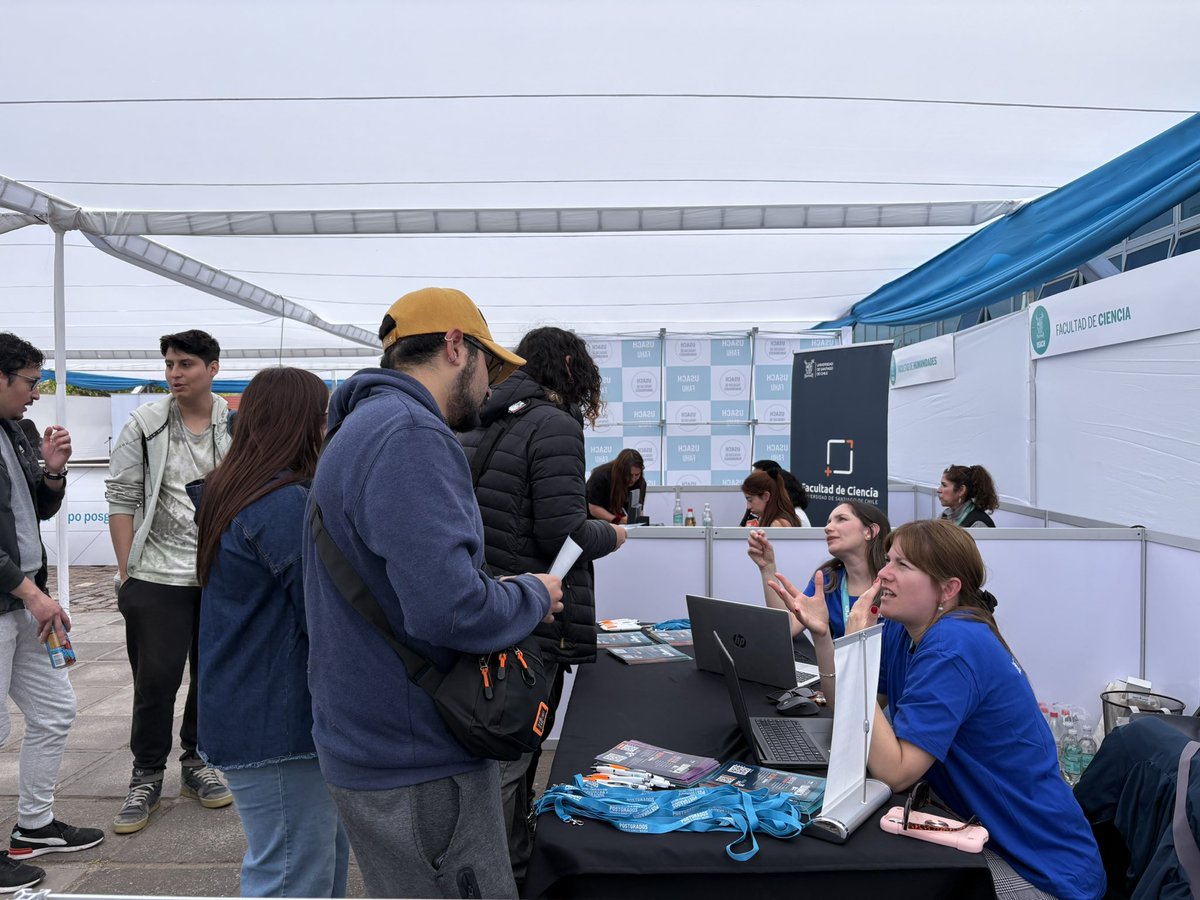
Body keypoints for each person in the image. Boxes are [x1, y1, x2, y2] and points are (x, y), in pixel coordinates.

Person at [302, 287, 564, 900]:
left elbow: (403, 586)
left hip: (375, 741)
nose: (491, 385)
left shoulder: (359, 429)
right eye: (489, 366)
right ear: (454, 345)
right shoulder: (411, 435)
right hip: (417, 757)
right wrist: (530, 594)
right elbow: (450, 610)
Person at [769, 519, 1105, 900]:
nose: (884, 573)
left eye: (903, 566)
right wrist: (825, 639)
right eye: (889, 560)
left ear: (948, 589)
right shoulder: (907, 628)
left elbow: (894, 771)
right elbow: (851, 708)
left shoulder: (953, 646)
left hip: (1042, 870)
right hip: (983, 830)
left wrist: (856, 646)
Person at [460, 326, 626, 881]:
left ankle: (491, 861)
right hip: (536, 611)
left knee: (496, 744)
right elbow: (563, 533)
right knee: (516, 750)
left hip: (492, 601)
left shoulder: (490, 416)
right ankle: (506, 870)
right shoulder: (554, 423)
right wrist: (614, 537)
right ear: (574, 370)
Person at [192, 368, 349, 898]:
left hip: (257, 711)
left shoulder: (240, 491)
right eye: (322, 416)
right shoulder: (281, 505)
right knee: (290, 874)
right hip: (276, 723)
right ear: (300, 423)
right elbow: (324, 614)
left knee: (316, 861)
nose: (328, 427)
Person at [105, 330, 234, 834]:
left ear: (213, 368)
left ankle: (196, 763)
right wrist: (125, 574)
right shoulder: (146, 423)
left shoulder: (235, 423)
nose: (175, 374)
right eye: (169, 365)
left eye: (186, 364)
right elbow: (120, 496)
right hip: (156, 573)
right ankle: (146, 774)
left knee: (213, 674)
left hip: (220, 573)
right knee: (156, 679)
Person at [0, 335, 105, 891]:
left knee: (55, 712)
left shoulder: (16, 431)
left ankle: (34, 826)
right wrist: (32, 592)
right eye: (29, 381)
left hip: (23, 601)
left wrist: (54, 472)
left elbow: (35, 511)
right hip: (15, 599)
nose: (35, 394)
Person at [749, 499, 889, 639]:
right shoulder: (828, 580)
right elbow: (786, 628)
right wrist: (767, 568)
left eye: (841, 519)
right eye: (828, 522)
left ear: (870, 531)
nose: (827, 528)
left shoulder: (895, 579)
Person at [738, 460, 810, 526]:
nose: (748, 507)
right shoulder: (771, 517)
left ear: (766, 495)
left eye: (750, 500)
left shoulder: (780, 522)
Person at [585, 448, 646, 523]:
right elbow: (594, 509)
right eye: (629, 475)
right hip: (592, 522)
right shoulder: (600, 476)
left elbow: (639, 510)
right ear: (620, 471)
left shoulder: (640, 482)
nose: (633, 479)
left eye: (637, 474)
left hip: (615, 520)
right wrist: (619, 520)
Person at [938, 463, 998, 528]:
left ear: (961, 490)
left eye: (944, 485)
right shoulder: (944, 516)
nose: (938, 490)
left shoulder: (978, 524)